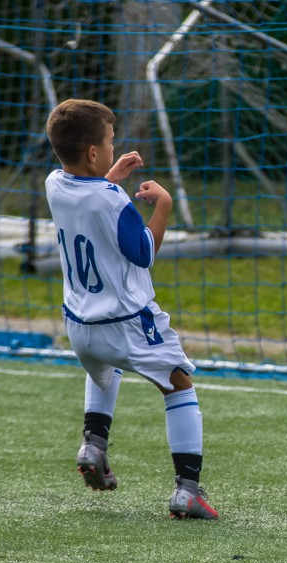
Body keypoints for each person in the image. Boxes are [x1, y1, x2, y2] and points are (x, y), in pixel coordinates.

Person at [44, 98, 218, 520]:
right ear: (92, 153)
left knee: (106, 367)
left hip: (80, 324)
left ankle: (94, 443)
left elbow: (90, 197)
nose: (112, 147)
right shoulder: (112, 200)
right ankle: (187, 491)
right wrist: (163, 206)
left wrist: (109, 177)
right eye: (109, 142)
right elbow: (143, 252)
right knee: (179, 384)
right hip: (126, 321)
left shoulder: (53, 183)